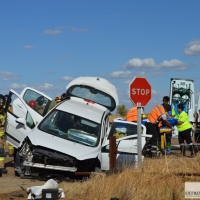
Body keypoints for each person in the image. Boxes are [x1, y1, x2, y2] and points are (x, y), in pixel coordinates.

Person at [0, 94, 7, 173]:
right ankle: (1, 167)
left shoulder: (3, 112)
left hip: (1, 137)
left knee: (1, 153)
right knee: (1, 152)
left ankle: (1, 167)